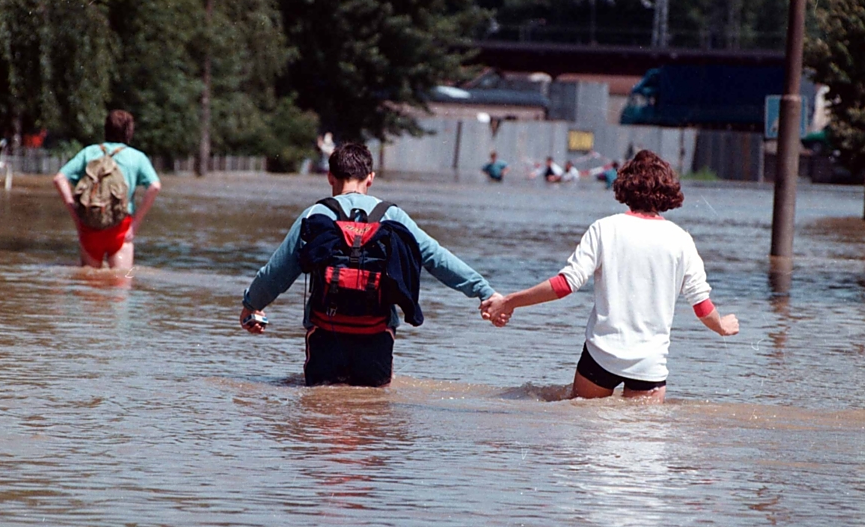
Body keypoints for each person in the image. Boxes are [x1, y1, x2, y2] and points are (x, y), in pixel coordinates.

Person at [481, 150, 739, 403]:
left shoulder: (605, 229)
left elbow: (564, 285)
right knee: (644, 441)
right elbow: (702, 306)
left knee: (589, 432)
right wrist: (722, 326)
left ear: (625, 186)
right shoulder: (681, 240)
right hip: (649, 364)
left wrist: (510, 301)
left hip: (601, 355)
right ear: (667, 190)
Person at [240, 142, 500, 387]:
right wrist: (484, 291)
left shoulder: (315, 215)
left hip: (325, 332)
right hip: (376, 334)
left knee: (320, 410)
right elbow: (436, 258)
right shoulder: (392, 216)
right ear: (370, 178)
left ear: (330, 177)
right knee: (372, 415)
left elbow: (278, 271)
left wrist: (252, 304)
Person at [53, 110, 161, 270]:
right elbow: (155, 186)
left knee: (89, 288)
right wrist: (136, 223)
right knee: (120, 287)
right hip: (121, 226)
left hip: (90, 224)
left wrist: (76, 216)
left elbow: (59, 178)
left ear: (106, 129)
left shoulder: (89, 152)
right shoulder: (136, 157)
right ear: (129, 132)